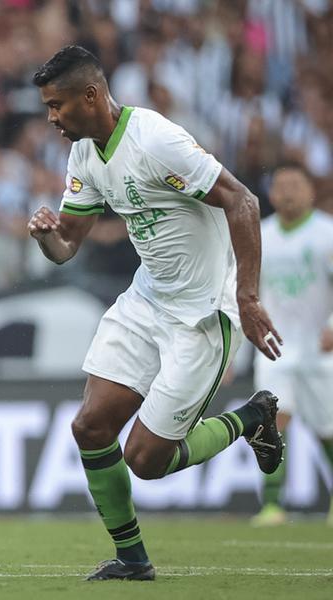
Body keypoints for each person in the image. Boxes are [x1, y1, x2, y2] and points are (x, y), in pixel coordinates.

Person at [26, 46, 284, 581]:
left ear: (91, 95)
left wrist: (249, 298)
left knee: (145, 460)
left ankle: (252, 419)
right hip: (147, 300)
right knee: (91, 427)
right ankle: (132, 560)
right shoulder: (84, 156)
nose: (51, 118)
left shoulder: (156, 141)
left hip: (201, 313)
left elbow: (243, 203)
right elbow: (68, 244)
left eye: (57, 105)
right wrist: (48, 238)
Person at [249, 163, 333, 527]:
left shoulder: (327, 234)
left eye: (295, 185)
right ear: (271, 194)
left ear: (311, 191)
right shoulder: (260, 236)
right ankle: (271, 505)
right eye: (281, 185)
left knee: (326, 429)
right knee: (269, 421)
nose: (287, 192)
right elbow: (246, 293)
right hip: (275, 348)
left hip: (320, 348)